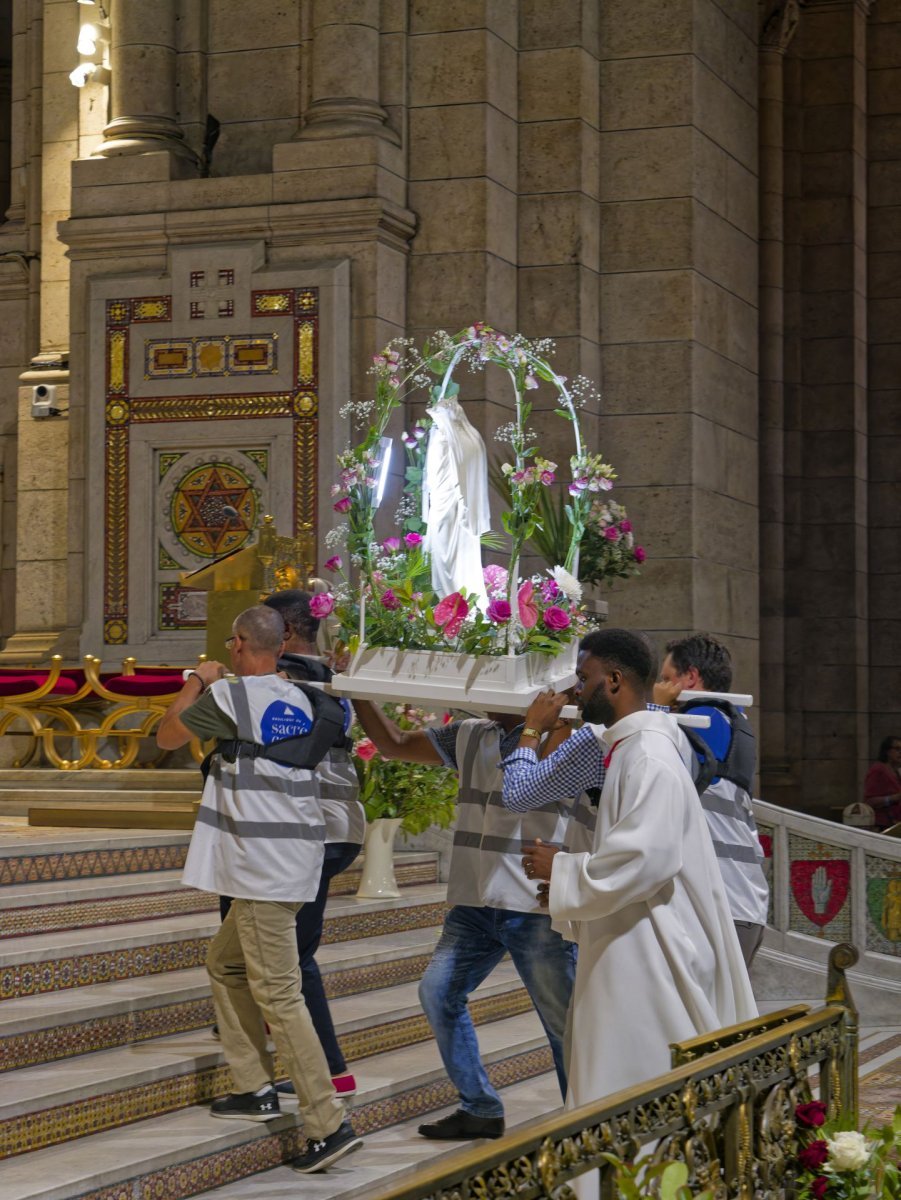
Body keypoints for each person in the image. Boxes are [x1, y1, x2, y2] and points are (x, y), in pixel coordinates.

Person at [505, 629, 757, 1119]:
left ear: (615, 680)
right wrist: (567, 883)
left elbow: (646, 859)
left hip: (652, 954)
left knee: (636, 1091)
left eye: (585, 677)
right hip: (634, 938)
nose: (577, 690)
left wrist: (564, 871)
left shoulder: (649, 755)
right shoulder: (630, 747)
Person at [156, 605, 362, 1174]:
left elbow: (167, 734)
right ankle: (254, 1087)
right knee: (224, 964)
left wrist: (198, 677)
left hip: (261, 867)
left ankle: (328, 1123)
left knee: (279, 996)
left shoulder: (232, 697)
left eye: (231, 643)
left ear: (242, 644)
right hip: (294, 859)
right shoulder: (297, 696)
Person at [352, 698, 589, 1141]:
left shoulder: (564, 734)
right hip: (474, 903)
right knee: (437, 993)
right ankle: (479, 1108)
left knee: (564, 1023)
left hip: (531, 907)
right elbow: (394, 743)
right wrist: (356, 693)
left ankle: (586, 1124)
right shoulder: (470, 734)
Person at [654, 634, 769, 966]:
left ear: (689, 677)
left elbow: (649, 768)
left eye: (665, 678)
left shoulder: (701, 720)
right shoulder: (731, 719)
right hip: (738, 900)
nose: (660, 686)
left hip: (721, 902)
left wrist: (657, 710)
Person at [422, 387, 491, 606]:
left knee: (450, 556)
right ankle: (446, 602)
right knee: (441, 555)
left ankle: (453, 604)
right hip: (445, 504)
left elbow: (443, 473)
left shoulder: (454, 438)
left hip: (453, 506)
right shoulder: (453, 436)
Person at [863, 736, 901, 829]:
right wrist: (893, 798)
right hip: (883, 825)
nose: (900, 752)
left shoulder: (896, 771)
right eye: (897, 749)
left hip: (895, 824)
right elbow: (868, 802)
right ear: (887, 751)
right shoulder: (878, 770)